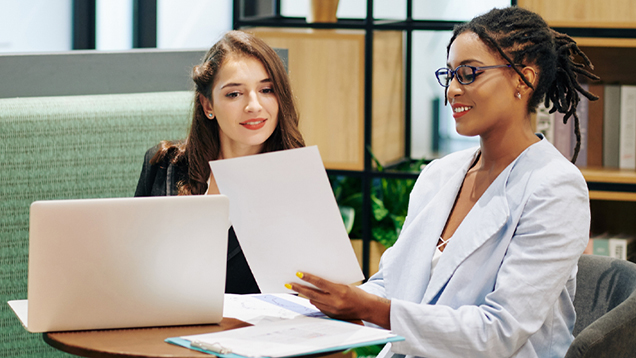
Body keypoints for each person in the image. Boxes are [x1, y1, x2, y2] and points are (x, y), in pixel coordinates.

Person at [288, 7, 597, 358]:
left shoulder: (556, 188)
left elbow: (498, 332)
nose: (452, 90)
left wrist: (368, 308)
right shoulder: (439, 176)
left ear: (523, 79)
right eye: (449, 75)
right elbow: (393, 283)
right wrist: (331, 299)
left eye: (468, 74)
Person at [135, 30, 305, 294]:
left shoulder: (298, 181)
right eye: (234, 94)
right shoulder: (163, 165)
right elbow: (134, 265)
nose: (254, 105)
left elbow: (313, 291)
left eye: (266, 90)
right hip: (166, 327)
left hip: (254, 332)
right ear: (207, 105)